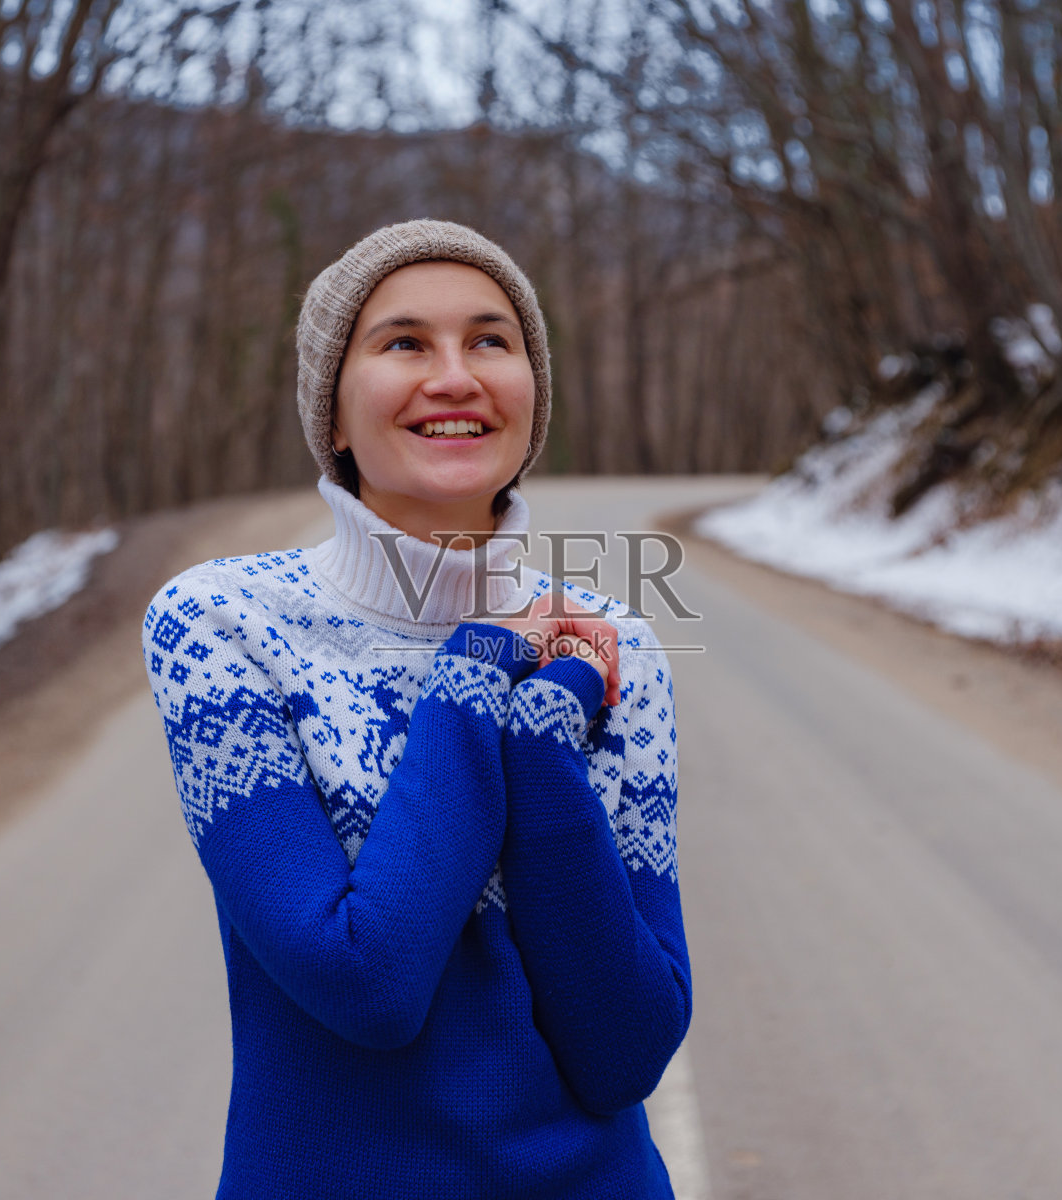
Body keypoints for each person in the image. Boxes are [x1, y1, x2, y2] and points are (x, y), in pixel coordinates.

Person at [140, 219, 689, 1199]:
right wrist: (476, 673)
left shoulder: (610, 651)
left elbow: (624, 1052)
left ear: (531, 394)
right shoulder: (221, 624)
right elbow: (366, 982)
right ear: (335, 417)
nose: (454, 376)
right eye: (403, 343)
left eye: (490, 340)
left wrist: (540, 738)